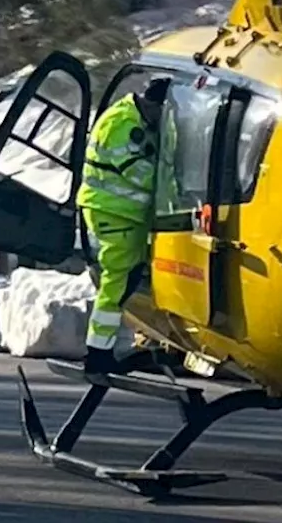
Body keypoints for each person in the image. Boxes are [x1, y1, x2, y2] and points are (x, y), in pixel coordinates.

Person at [76, 77, 169, 375]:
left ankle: (104, 349)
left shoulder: (129, 117)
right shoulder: (123, 126)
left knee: (126, 278)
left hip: (121, 214)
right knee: (119, 280)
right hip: (116, 214)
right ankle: (98, 353)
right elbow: (140, 174)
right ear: (153, 106)